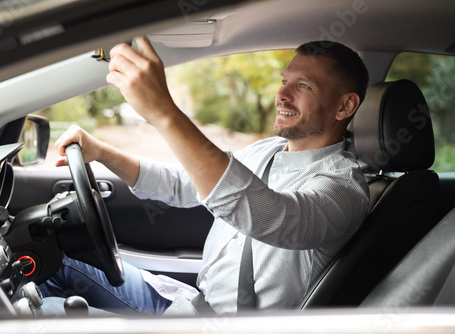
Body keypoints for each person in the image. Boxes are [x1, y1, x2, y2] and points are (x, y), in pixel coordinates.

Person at [39, 38, 370, 316]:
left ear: (345, 106)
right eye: (285, 81)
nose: (282, 95)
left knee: (50, 312)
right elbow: (184, 183)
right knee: (56, 258)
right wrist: (102, 152)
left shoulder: (344, 191)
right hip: (193, 305)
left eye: (303, 86)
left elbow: (270, 216)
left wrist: (164, 112)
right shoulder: (269, 150)